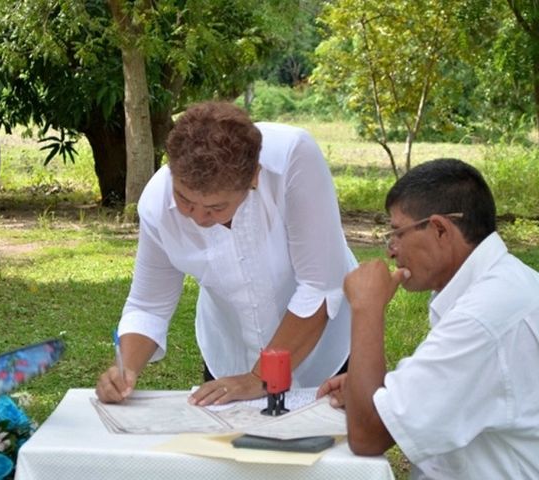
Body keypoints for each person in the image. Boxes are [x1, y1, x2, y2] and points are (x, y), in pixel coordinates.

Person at [97, 101, 356, 407]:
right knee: (227, 451)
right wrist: (125, 370)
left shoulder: (293, 156)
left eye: (216, 207)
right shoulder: (156, 204)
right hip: (230, 357)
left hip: (322, 349)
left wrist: (259, 378)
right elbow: (148, 305)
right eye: (184, 199)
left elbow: (318, 287)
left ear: (254, 178)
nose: (198, 217)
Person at [318, 158, 539, 479]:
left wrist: (367, 308)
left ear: (439, 229)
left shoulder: (482, 318)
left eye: (397, 233)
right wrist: (382, 390)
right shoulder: (506, 283)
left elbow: (368, 437)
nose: (391, 250)